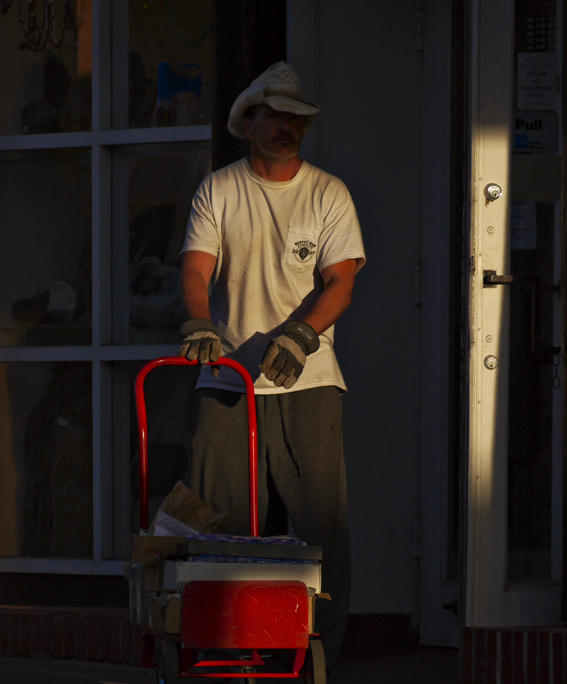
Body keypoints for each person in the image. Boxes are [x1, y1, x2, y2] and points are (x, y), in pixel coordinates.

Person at [177, 62, 365, 671]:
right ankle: (220, 651)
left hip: (306, 379)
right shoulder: (219, 188)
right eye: (275, 116)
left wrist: (301, 334)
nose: (287, 127)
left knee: (320, 527)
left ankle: (316, 658)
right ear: (248, 122)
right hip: (228, 373)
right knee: (217, 521)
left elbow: (341, 281)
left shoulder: (327, 192)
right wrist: (200, 321)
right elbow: (197, 268)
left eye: (296, 119)